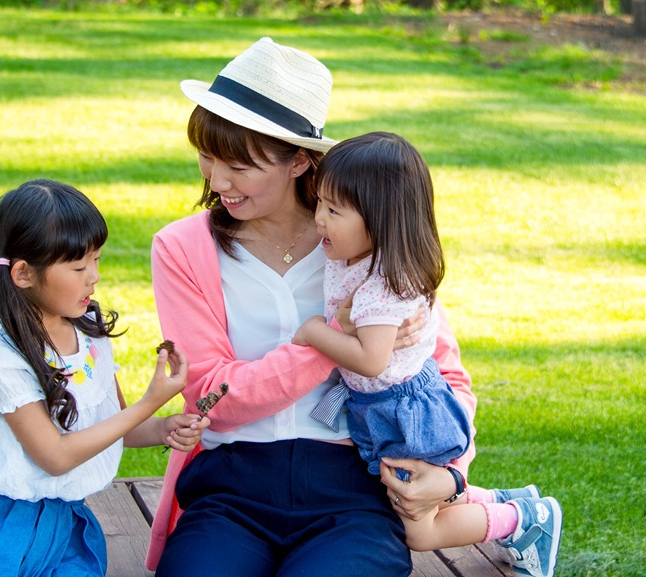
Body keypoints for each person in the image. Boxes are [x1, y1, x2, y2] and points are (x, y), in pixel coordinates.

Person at [144, 38, 477, 577]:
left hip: (353, 492)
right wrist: (335, 342)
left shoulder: (368, 243)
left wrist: (452, 475)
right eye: (207, 157)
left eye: (239, 166)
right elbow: (209, 395)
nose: (215, 180)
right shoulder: (183, 248)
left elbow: (443, 378)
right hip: (230, 490)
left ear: (300, 160)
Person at [0, 179, 207, 577]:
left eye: (97, 260)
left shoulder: (88, 331)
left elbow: (115, 427)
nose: (94, 277)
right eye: (79, 266)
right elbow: (55, 456)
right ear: (24, 274)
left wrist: (164, 426)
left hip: (63, 526)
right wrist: (150, 402)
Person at [293, 131, 562, 577]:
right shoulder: (359, 259)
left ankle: (525, 520)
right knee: (421, 502)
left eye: (333, 210)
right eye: (319, 203)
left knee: (419, 530)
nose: (319, 219)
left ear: (380, 221)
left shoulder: (384, 287)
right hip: (382, 408)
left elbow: (370, 360)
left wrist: (315, 331)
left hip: (406, 415)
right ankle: (504, 503)